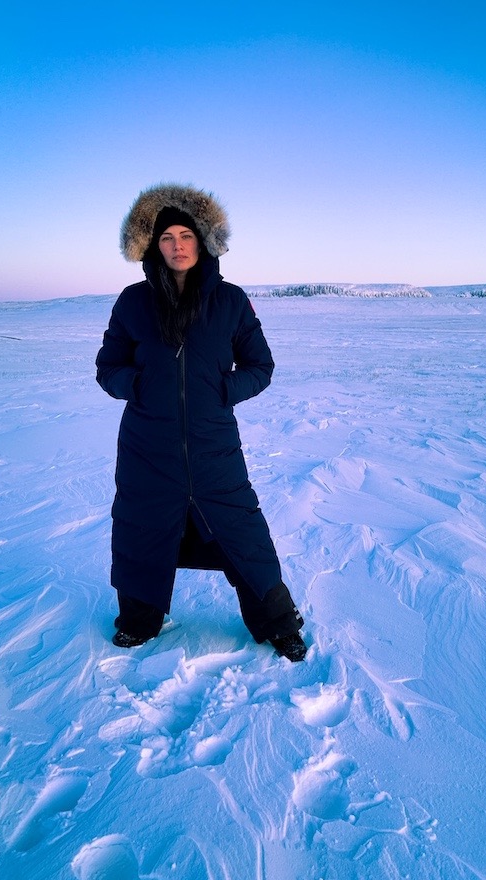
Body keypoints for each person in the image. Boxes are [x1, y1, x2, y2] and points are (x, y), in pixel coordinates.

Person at [96, 183, 307, 661]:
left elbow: (260, 366)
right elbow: (107, 368)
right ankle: (139, 619)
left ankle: (278, 621)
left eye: (185, 235)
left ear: (202, 241)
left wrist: (224, 391)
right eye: (166, 236)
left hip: (214, 449)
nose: (176, 245)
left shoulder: (230, 301)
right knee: (142, 530)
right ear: (153, 245)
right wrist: (140, 386)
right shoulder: (132, 302)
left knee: (241, 534)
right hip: (148, 449)